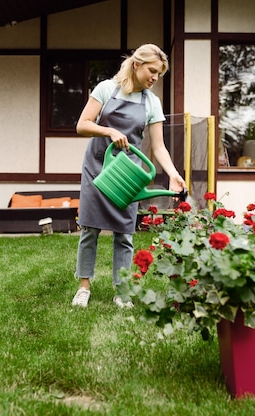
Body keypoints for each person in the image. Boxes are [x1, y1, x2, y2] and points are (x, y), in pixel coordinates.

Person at [71, 43, 186, 308]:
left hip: (127, 173)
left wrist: (173, 174)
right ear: (137, 64)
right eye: (152, 70)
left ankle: (122, 291)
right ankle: (84, 287)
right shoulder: (106, 89)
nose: (155, 78)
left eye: (159, 74)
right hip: (98, 165)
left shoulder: (152, 102)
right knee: (89, 228)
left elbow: (158, 146)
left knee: (124, 232)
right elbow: (82, 125)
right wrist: (109, 131)